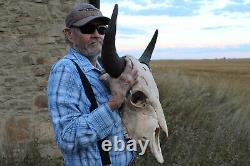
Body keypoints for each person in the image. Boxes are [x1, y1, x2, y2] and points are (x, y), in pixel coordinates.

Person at [47, 3, 138, 166]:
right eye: (88, 28)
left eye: (101, 29)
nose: (97, 34)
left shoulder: (102, 70)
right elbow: (67, 138)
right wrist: (114, 102)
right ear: (69, 34)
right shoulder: (65, 70)